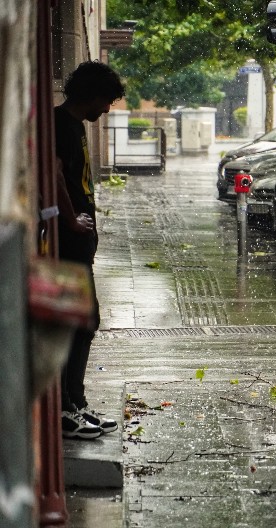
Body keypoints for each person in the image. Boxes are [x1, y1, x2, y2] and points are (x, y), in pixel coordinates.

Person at [55, 61, 125, 439]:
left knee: (86, 320)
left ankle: (76, 402)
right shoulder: (60, 124)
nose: (107, 108)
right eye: (106, 100)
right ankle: (66, 407)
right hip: (67, 241)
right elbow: (53, 173)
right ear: (91, 94)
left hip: (80, 239)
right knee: (79, 320)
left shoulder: (76, 124)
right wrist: (70, 220)